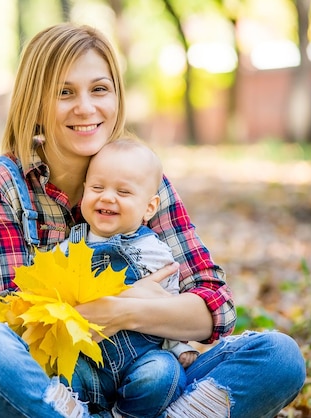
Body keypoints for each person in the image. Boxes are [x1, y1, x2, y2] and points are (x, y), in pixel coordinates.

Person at [0, 22, 305, 418]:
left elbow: (215, 308)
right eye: (64, 92)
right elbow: (7, 321)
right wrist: (136, 298)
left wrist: (124, 312)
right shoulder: (0, 182)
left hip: (147, 382)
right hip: (49, 391)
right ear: (36, 102)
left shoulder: (143, 179)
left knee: (278, 357)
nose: (86, 107)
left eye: (99, 89)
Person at [57, 137, 199, 417]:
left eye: (123, 192)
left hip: (142, 360)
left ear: (149, 207)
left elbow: (169, 301)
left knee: (165, 374)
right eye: (97, 188)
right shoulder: (68, 248)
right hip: (86, 362)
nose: (107, 197)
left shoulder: (156, 252)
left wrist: (177, 346)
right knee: (56, 373)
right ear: (85, 192)